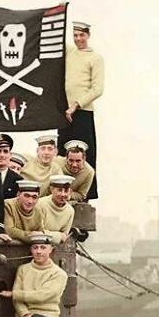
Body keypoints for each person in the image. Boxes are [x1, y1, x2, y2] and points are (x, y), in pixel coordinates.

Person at [59, 23, 104, 198]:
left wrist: (76, 105)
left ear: (88, 35)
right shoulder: (70, 52)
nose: (78, 39)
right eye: (75, 35)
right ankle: (61, 192)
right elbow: (55, 38)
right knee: (63, 154)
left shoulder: (95, 58)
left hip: (83, 112)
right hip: (64, 113)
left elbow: (97, 89)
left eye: (81, 35)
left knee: (84, 155)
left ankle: (85, 195)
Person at [37, 175, 75, 244]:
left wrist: (59, 237)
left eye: (66, 191)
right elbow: (37, 232)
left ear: (70, 192)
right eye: (59, 190)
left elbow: (64, 235)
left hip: (55, 246)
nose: (63, 194)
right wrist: (58, 236)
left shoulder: (70, 210)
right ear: (52, 189)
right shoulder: (40, 204)